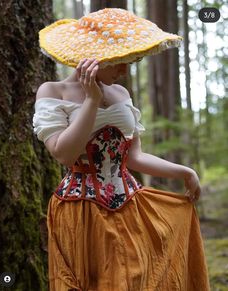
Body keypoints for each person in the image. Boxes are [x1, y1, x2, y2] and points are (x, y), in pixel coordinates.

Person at [33, 8, 210, 291]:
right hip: (81, 211)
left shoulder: (121, 93)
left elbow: (134, 157)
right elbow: (63, 154)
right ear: (92, 55)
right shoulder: (53, 92)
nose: (126, 70)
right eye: (120, 61)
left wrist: (184, 172)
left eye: (132, 61)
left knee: (136, 278)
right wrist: (91, 101)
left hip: (130, 206)